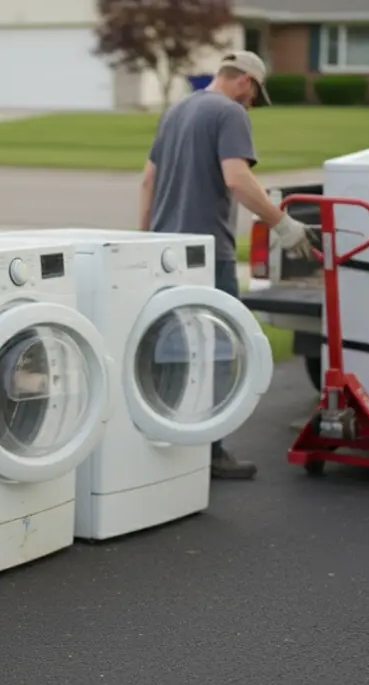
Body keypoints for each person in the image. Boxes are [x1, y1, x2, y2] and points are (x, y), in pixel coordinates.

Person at [139, 50, 318, 481]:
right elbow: (236, 179)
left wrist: (141, 243)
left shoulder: (177, 110)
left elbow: (148, 180)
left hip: (164, 252)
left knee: (168, 348)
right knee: (219, 350)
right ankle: (211, 450)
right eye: (254, 97)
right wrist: (284, 226)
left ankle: (168, 439)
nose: (251, 105)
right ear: (246, 83)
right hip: (207, 254)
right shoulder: (229, 112)